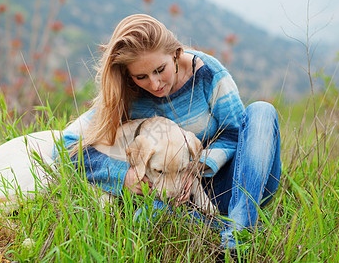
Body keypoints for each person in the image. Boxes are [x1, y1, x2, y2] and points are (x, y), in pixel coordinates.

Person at [61, 14, 281, 250]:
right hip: (170, 197)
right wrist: (123, 176)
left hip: (239, 186)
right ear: (128, 75)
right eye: (141, 76)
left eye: (160, 69)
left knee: (262, 111)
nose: (155, 84)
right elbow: (67, 144)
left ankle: (239, 231)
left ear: (176, 54)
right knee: (146, 216)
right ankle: (217, 231)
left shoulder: (208, 74)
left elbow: (234, 134)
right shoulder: (125, 93)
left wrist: (194, 167)